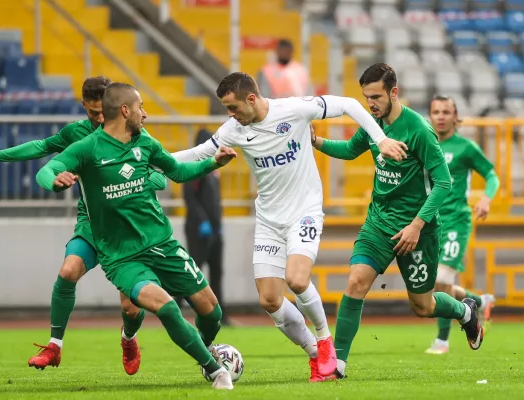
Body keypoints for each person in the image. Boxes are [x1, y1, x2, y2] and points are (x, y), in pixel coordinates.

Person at [172, 71, 408, 381]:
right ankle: (314, 354)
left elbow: (350, 104)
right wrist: (147, 161)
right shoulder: (234, 129)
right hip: (269, 220)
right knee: (269, 299)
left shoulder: (294, 109)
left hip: (304, 212)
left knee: (296, 280)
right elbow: (195, 154)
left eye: (233, 107)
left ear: (251, 99)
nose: (230, 114)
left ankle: (325, 342)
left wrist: (381, 138)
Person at [35, 82, 237, 389]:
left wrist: (212, 163)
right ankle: (214, 370)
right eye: (140, 107)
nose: (146, 113)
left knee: (212, 313)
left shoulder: (145, 142)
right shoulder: (88, 148)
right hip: (122, 256)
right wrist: (55, 180)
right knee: (167, 306)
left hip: (163, 245)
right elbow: (45, 171)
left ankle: (202, 348)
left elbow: (177, 173)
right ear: (126, 110)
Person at [310, 63, 485, 380]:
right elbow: (351, 150)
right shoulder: (373, 123)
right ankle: (338, 365)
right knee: (355, 283)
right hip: (378, 223)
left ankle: (465, 311)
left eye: (375, 97)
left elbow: (443, 183)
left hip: (418, 230)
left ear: (394, 92)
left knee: (422, 306)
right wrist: (316, 142)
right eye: (366, 98)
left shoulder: (418, 130)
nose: (370, 104)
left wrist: (417, 225)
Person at [0, 77, 148, 374]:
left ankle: (128, 338)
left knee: (130, 307)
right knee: (67, 271)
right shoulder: (77, 133)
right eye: (92, 113)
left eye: (103, 112)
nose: (99, 119)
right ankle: (55, 346)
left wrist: (134, 185)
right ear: (84, 108)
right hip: (91, 225)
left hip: (127, 228)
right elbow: (41, 147)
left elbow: (159, 175)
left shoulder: (135, 132)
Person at [425, 95, 498, 355]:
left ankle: (442, 340)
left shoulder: (465, 148)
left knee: (442, 280)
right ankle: (479, 300)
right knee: (434, 284)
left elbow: (491, 175)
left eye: (446, 111)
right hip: (431, 224)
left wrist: (486, 199)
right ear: (430, 116)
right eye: (436, 111)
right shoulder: (425, 145)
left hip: (456, 220)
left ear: (456, 117)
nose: (441, 116)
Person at [182, 129, 229, 325]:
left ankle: (221, 315)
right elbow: (190, 199)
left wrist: (217, 224)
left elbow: (214, 201)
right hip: (198, 230)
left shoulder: (213, 170)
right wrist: (203, 222)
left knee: (217, 272)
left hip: (214, 230)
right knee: (194, 272)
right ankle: (176, 308)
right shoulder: (194, 168)